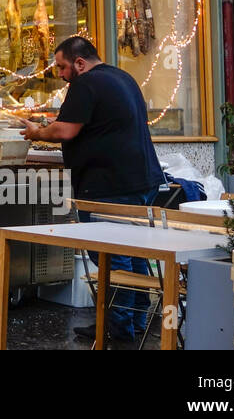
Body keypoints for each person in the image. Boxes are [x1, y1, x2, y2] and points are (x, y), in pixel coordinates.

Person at [16, 36, 164, 345]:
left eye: (62, 66)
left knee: (113, 257)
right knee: (134, 254)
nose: (60, 73)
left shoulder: (85, 84)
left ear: (80, 63)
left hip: (109, 186)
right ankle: (136, 321)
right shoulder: (122, 77)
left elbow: (65, 130)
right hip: (142, 181)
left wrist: (37, 131)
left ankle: (118, 329)